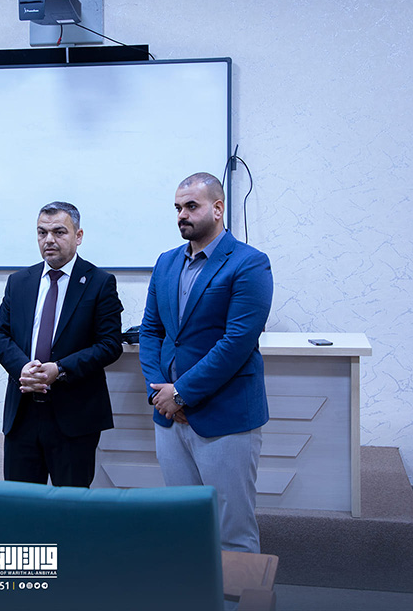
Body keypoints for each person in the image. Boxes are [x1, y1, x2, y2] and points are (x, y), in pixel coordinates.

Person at [139, 172, 273, 553]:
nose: (182, 215)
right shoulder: (166, 263)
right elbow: (151, 332)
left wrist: (181, 393)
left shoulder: (249, 263)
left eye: (191, 206)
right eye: (178, 208)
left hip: (225, 417)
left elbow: (236, 344)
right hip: (169, 418)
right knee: (185, 526)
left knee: (233, 533)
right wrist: (160, 394)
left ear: (217, 209)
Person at [0, 201, 123, 487]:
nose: (49, 240)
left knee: (70, 506)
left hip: (74, 418)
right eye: (42, 232)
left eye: (59, 232)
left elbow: (110, 344)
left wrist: (59, 369)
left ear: (78, 236)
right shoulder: (19, 282)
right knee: (20, 503)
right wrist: (22, 368)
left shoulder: (99, 282)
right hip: (22, 414)